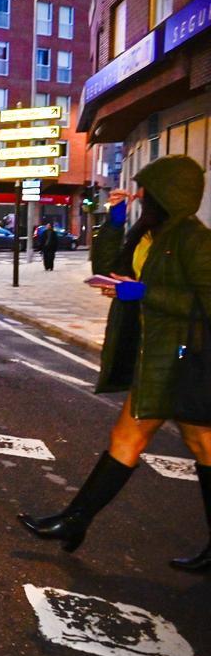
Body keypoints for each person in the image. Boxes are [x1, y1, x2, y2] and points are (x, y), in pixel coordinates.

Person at [20, 155, 211, 571]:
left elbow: (204, 302)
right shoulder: (151, 234)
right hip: (155, 354)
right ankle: (74, 520)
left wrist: (143, 294)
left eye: (147, 189)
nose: (140, 194)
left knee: (195, 444)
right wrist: (115, 220)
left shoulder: (195, 240)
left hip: (184, 359)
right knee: (141, 439)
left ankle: (75, 521)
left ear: (170, 193)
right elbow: (106, 267)